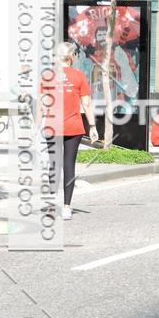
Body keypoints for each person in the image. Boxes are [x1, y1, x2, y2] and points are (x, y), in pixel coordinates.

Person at [38, 42, 98, 220]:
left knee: (54, 166)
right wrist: (93, 126)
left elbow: (41, 105)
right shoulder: (79, 76)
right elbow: (86, 104)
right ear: (72, 57)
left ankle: (50, 207)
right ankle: (66, 207)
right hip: (74, 127)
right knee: (69, 165)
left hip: (52, 127)